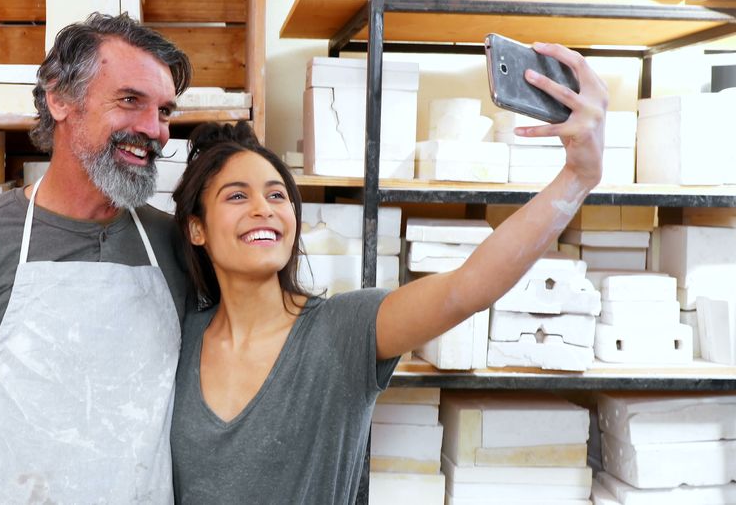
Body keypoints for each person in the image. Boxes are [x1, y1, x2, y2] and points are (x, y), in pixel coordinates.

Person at [169, 42, 606, 503]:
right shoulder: (182, 337)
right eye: (237, 197)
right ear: (197, 228)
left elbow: (466, 289)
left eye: (278, 196)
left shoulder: (342, 330)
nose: (264, 209)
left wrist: (577, 177)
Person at [0, 13, 195, 504]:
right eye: (131, 100)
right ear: (59, 98)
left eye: (165, 112)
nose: (154, 131)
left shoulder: (177, 248)